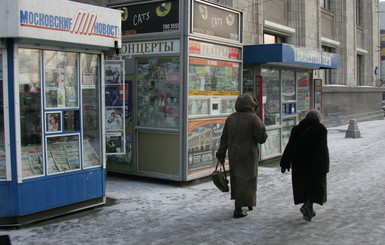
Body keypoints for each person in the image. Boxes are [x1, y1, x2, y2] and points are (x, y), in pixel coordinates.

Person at [216, 94, 268, 218]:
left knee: (237, 179)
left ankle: (243, 204)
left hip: (234, 154)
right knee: (248, 179)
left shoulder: (231, 118)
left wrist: (221, 154)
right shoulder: (253, 119)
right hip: (249, 154)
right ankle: (239, 208)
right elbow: (261, 138)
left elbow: (224, 138)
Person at [280, 109, 329, 222]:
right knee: (314, 188)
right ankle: (307, 206)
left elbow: (290, 146)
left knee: (304, 187)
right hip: (314, 165)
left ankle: (309, 210)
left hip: (299, 164)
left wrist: (285, 162)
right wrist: (324, 166)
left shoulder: (296, 129)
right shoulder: (320, 129)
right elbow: (323, 150)